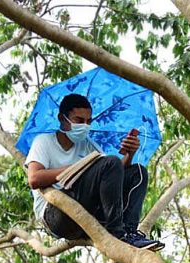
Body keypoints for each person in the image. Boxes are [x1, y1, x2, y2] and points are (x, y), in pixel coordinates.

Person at [25, 93, 164, 251]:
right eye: (79, 120)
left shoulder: (87, 144)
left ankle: (130, 232)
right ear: (62, 119)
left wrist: (129, 154)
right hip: (56, 215)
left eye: (88, 121)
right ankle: (117, 235)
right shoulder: (44, 141)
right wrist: (74, 169)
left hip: (87, 214)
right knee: (110, 162)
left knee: (137, 172)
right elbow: (34, 178)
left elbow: (112, 173)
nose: (84, 126)